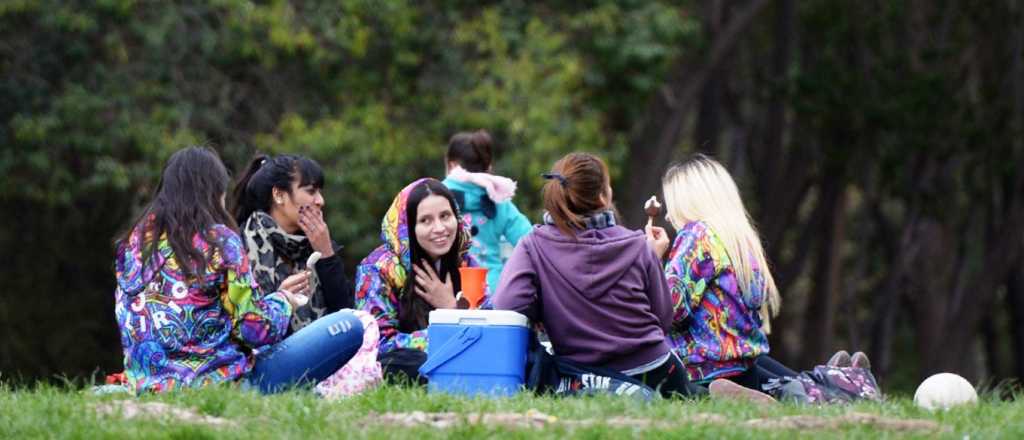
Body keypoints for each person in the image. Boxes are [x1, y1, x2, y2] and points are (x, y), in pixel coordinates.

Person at [113, 146, 363, 394]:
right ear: (214, 192)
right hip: (220, 384)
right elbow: (255, 330)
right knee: (350, 326)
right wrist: (284, 300)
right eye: (310, 191)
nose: (320, 200)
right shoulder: (221, 241)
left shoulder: (131, 246)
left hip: (148, 386)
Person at [650, 154, 873, 398]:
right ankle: (843, 384)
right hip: (740, 365)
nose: (670, 216)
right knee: (779, 377)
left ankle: (830, 385)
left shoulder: (696, 236)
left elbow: (671, 309)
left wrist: (651, 258)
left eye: (672, 206)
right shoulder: (741, 241)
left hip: (702, 369)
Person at [492, 152, 697, 399]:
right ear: (603, 196)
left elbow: (506, 305)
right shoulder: (638, 245)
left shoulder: (533, 246)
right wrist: (653, 258)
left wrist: (541, 309)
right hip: (656, 371)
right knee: (694, 393)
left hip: (585, 376)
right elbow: (664, 317)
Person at [354, 178, 477, 380]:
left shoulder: (465, 262)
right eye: (425, 220)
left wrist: (451, 308)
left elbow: (489, 330)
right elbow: (377, 344)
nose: (439, 228)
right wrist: (448, 327)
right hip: (400, 367)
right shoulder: (378, 269)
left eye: (445, 216)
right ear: (407, 226)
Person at [231, 154, 354, 333]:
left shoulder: (317, 242)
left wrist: (327, 254)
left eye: (320, 192)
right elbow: (243, 329)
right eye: (311, 191)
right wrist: (279, 302)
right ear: (279, 195)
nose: (320, 201)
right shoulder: (239, 246)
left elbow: (347, 314)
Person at [442, 130, 532, 294]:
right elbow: (530, 242)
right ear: (488, 167)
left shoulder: (438, 196)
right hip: (491, 289)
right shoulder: (499, 200)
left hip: (447, 287)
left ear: (452, 165)